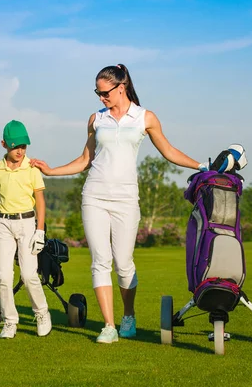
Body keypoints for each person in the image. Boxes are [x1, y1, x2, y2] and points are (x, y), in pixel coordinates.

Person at [30, 64, 206, 343]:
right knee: (100, 261)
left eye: (104, 92)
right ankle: (109, 326)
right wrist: (52, 170)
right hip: (94, 196)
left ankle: (128, 315)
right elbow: (85, 160)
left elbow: (169, 151)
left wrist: (202, 166)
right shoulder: (95, 119)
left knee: (123, 264)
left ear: (120, 87)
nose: (101, 98)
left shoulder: (144, 117)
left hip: (126, 199)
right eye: (97, 93)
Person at [0, 120, 52, 339]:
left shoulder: (32, 168)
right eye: (16, 146)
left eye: (23, 146)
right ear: (4, 144)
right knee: (4, 277)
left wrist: (40, 231)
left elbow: (40, 201)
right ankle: (10, 321)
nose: (20, 151)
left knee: (28, 274)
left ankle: (42, 312)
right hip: (4, 224)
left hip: (27, 223)